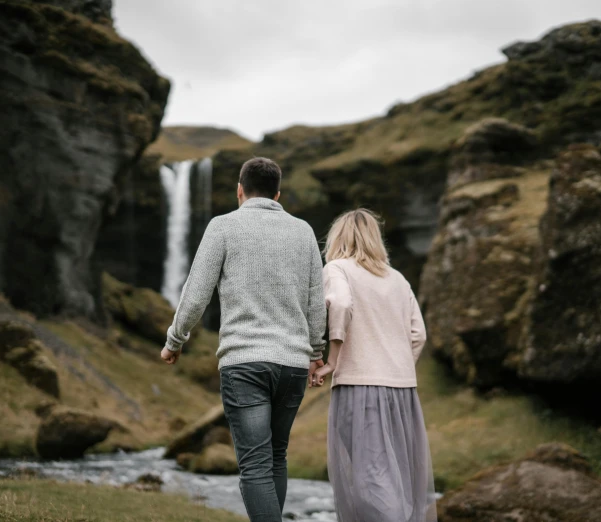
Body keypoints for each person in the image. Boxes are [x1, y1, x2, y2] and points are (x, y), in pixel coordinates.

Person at [160, 157, 327, 522]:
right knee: (276, 456)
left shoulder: (223, 226)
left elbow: (196, 292)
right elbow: (317, 301)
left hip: (245, 364)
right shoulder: (303, 231)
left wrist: (175, 339)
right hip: (294, 365)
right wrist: (316, 352)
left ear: (240, 190)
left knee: (254, 464)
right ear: (277, 194)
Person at [312, 209, 437, 522]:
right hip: (403, 391)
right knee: (398, 477)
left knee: (370, 476)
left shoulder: (337, 268)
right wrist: (396, 367)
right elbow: (418, 335)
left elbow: (340, 303)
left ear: (338, 237)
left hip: (360, 386)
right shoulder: (398, 279)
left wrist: (332, 360)